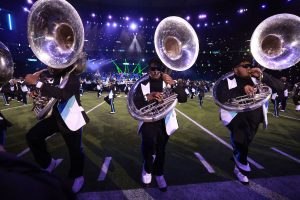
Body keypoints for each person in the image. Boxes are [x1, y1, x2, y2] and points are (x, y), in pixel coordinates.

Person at [216, 60, 284, 184]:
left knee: (244, 144)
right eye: (245, 66)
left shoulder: (257, 78)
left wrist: (263, 76)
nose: (249, 68)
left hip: (255, 119)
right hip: (236, 118)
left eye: (250, 66)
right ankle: (241, 169)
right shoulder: (227, 81)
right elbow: (222, 96)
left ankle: (237, 161)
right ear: (235, 69)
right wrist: (242, 89)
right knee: (240, 141)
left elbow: (280, 87)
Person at [25, 62, 89, 193]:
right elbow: (51, 93)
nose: (51, 65)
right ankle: (48, 162)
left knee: (75, 151)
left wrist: (38, 83)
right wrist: (36, 92)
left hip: (72, 118)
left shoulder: (73, 77)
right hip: (57, 117)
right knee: (32, 136)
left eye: (55, 63)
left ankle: (78, 176)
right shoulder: (56, 76)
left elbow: (63, 94)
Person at [133, 58, 187, 191]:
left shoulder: (168, 82)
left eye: (159, 68)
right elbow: (134, 102)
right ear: (148, 70)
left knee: (161, 150)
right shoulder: (142, 83)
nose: (156, 71)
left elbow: (183, 98)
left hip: (165, 121)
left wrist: (174, 84)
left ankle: (159, 174)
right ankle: (147, 169)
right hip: (147, 121)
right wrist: (148, 97)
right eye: (152, 68)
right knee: (148, 147)